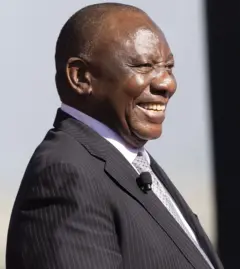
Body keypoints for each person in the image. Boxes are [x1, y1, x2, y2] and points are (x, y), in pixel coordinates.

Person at [6, 3, 223, 269]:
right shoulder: (67, 173)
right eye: (144, 66)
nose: (167, 83)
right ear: (81, 77)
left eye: (169, 66)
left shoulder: (128, 163)